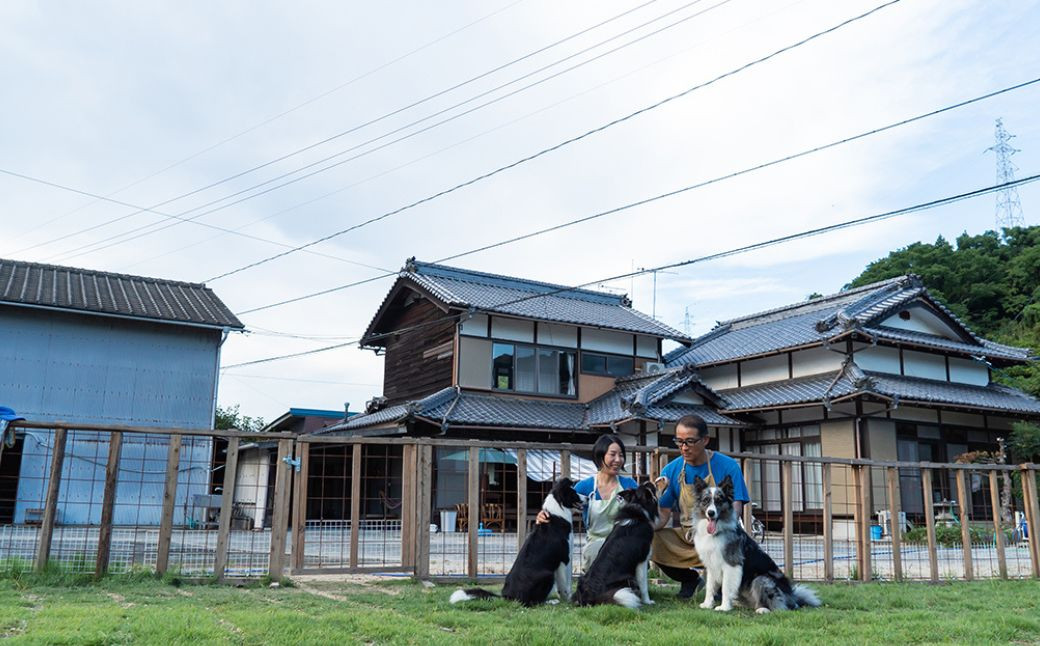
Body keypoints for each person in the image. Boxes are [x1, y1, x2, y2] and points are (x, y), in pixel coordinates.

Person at [652, 414, 750, 599]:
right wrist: (641, 527)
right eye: (679, 441)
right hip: (688, 534)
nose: (684, 447)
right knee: (651, 539)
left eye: (689, 441)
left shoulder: (728, 466)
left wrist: (717, 528)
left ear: (705, 440)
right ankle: (689, 579)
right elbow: (663, 514)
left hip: (720, 533)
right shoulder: (671, 470)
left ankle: (722, 589)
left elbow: (736, 509)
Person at [536, 433, 638, 569]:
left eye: (621, 455)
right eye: (612, 454)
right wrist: (543, 516)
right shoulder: (585, 486)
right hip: (596, 542)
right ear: (600, 456)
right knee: (596, 554)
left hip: (625, 541)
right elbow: (561, 507)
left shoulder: (629, 484)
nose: (618, 460)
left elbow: (642, 513)